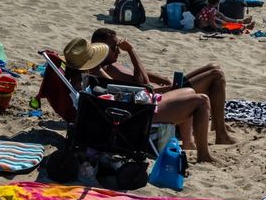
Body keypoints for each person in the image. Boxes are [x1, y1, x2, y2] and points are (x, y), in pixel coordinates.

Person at [62, 37, 215, 162]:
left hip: (131, 107)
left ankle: (189, 144)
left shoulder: (81, 80)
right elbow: (142, 84)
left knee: (188, 91)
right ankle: (204, 155)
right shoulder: (91, 78)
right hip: (135, 115)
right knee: (202, 100)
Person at [89, 27, 235, 146]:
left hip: (164, 91)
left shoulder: (113, 64)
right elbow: (143, 84)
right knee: (216, 75)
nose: (119, 51)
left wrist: (164, 79)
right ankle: (220, 133)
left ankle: (217, 124)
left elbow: (140, 75)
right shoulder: (108, 69)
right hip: (159, 99)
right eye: (115, 48)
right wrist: (131, 51)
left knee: (213, 66)